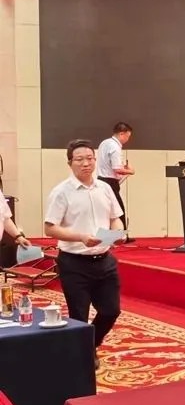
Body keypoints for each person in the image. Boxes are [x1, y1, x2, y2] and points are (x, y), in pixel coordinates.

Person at [44, 139, 126, 367]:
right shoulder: (61, 192)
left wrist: (117, 233)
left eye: (90, 158)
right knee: (79, 315)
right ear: (70, 163)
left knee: (111, 311)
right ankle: (83, 355)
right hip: (74, 262)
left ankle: (91, 344)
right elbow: (50, 228)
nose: (86, 163)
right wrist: (80, 237)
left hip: (104, 260)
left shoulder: (105, 188)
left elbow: (115, 218)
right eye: (79, 159)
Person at [97, 122, 135, 243]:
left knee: (106, 210)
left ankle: (108, 237)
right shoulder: (115, 147)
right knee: (118, 209)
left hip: (101, 179)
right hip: (110, 181)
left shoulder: (104, 143)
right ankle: (120, 237)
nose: (127, 140)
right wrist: (130, 171)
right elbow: (116, 168)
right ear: (121, 133)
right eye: (127, 136)